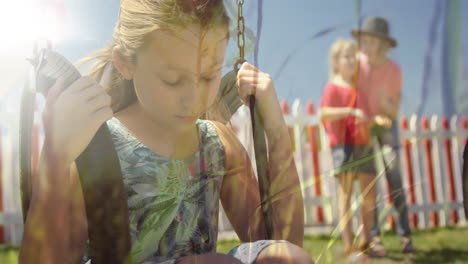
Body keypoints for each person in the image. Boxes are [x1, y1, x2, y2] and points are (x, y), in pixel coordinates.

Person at [18, 1, 313, 263]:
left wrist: (275, 128)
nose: (193, 98)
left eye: (209, 76)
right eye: (173, 80)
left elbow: (283, 239)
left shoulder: (216, 144)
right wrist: (55, 159)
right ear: (125, 63)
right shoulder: (96, 148)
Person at [352, 16, 416, 255]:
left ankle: (405, 236)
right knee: (369, 181)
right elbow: (352, 98)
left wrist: (382, 102)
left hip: (386, 126)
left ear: (382, 45)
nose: (366, 47)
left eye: (371, 42)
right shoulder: (356, 64)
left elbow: (393, 110)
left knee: (394, 175)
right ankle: (374, 236)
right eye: (364, 41)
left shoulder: (393, 70)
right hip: (365, 126)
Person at [319, 39, 378, 262]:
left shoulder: (359, 88)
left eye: (354, 55)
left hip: (364, 145)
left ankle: (365, 242)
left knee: (369, 194)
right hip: (343, 146)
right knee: (345, 196)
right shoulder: (332, 86)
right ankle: (348, 246)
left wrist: (374, 120)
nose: (352, 60)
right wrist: (350, 113)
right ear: (335, 62)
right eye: (346, 56)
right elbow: (324, 113)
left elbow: (366, 116)